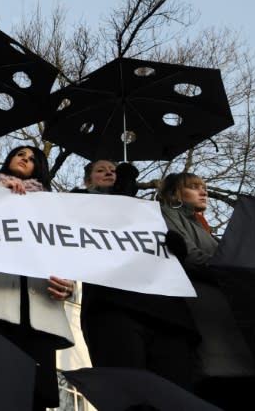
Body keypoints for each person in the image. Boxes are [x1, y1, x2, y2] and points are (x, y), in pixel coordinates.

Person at [0, 146, 75, 411]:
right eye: (20, 154)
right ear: (9, 159)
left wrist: (69, 287)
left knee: (34, 397)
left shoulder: (52, 208)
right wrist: (1, 195)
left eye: (32, 159)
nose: (25, 159)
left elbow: (66, 253)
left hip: (39, 315)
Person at [77, 162, 200, 392]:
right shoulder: (74, 203)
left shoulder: (150, 211)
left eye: (113, 170)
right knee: (130, 392)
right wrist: (123, 184)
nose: (109, 173)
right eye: (101, 170)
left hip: (166, 312)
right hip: (113, 306)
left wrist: (176, 248)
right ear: (87, 181)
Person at [160, 172, 255, 410]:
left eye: (204, 187)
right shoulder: (166, 215)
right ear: (174, 194)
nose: (203, 191)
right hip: (201, 310)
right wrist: (237, 275)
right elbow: (188, 255)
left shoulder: (204, 229)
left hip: (227, 319)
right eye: (194, 186)